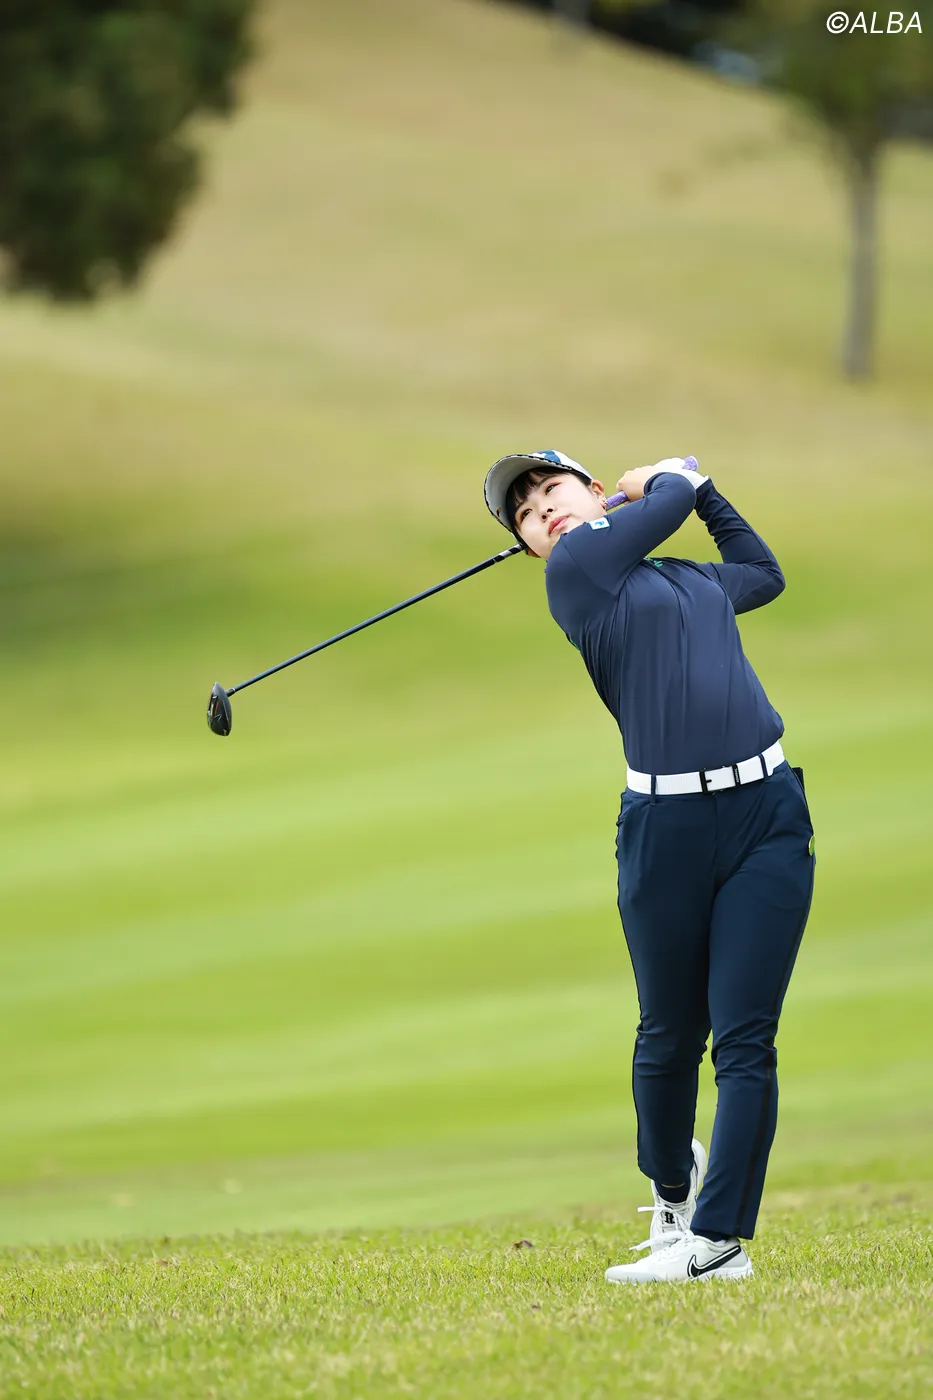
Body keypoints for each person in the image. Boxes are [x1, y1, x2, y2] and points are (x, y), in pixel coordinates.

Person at [483, 450, 815, 1284]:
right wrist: (671, 479)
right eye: (523, 515)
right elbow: (666, 502)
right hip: (664, 828)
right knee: (667, 1034)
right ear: (530, 546)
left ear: (591, 492)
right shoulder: (577, 576)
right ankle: (672, 1196)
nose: (539, 511)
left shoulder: (687, 580)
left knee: (745, 1038)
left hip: (766, 815)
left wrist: (706, 493)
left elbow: (762, 575)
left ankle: (716, 1243)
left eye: (549, 490)